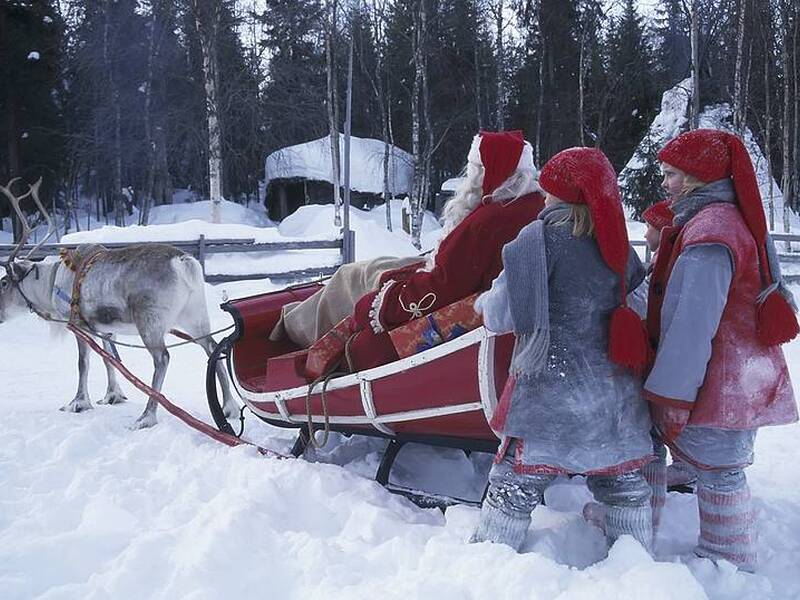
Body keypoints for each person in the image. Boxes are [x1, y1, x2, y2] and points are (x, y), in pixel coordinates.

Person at [469, 147, 654, 553]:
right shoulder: (618, 246)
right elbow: (638, 307)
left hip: (549, 398)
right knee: (624, 487)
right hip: (612, 402)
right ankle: (638, 566)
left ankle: (488, 566)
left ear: (558, 193)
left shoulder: (534, 242)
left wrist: (483, 302)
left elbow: (500, 316)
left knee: (514, 486)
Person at [645, 129, 799, 572]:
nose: (666, 183)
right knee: (717, 463)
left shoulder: (712, 232)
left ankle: (726, 557)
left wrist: (672, 394)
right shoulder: (720, 219)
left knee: (719, 468)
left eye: (672, 174)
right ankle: (716, 547)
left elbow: (691, 323)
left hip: (718, 375)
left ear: (697, 176)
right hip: (735, 371)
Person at [272, 130, 545, 372]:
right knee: (369, 269)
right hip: (451, 277)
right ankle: (298, 317)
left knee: (351, 276)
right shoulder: (531, 205)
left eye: (474, 168)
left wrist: (383, 304)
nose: (470, 176)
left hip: (439, 290)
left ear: (491, 170)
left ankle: (292, 328)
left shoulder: (490, 221)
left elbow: (443, 286)